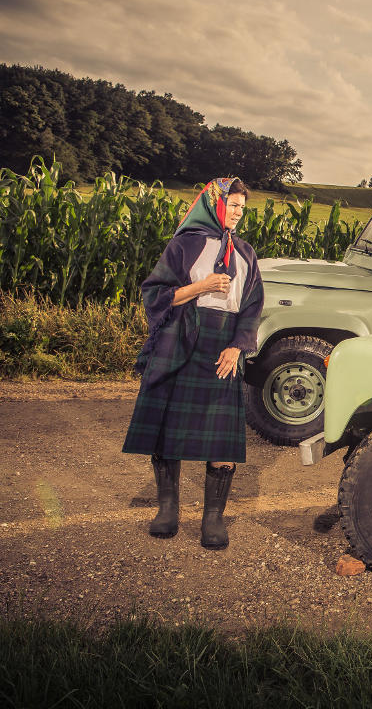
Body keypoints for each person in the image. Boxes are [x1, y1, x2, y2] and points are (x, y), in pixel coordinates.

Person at [122, 178, 264, 550]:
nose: (237, 213)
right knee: (168, 433)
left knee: (221, 443)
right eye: (232, 205)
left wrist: (238, 347)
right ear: (214, 204)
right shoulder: (183, 245)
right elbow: (154, 293)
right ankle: (167, 511)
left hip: (222, 347)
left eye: (241, 208)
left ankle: (213, 520)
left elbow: (252, 308)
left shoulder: (246, 254)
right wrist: (200, 287)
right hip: (180, 340)